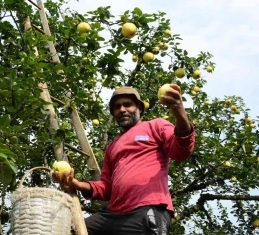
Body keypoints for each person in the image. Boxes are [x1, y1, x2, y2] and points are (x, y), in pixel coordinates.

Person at [53, 85, 195, 235]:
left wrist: (179, 111)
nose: (122, 109)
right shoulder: (112, 146)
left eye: (127, 104)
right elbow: (106, 188)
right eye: (117, 107)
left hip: (146, 208)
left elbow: (181, 151)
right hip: (113, 214)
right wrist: (77, 184)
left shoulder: (155, 125)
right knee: (68, 229)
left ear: (139, 108)